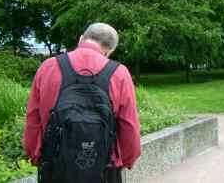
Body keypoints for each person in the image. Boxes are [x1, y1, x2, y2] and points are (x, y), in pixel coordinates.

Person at [23, 23, 141, 183]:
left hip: (55, 167)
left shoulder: (48, 67)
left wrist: (35, 155)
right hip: (104, 169)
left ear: (81, 39)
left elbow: (33, 118)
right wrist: (127, 159)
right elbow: (129, 125)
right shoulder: (119, 73)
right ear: (110, 50)